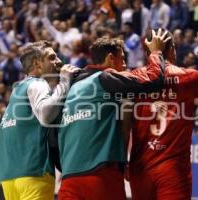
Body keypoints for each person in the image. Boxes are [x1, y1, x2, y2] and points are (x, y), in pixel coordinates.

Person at [57, 30, 170, 200]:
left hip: (68, 178)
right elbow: (154, 80)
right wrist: (155, 52)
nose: (125, 65)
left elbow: (52, 133)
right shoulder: (105, 78)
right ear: (110, 58)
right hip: (101, 175)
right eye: (122, 59)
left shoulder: (71, 87)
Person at [128, 30, 198, 199]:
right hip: (173, 171)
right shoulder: (189, 77)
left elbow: (123, 125)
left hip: (140, 169)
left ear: (147, 51)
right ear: (172, 49)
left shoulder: (133, 78)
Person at [0, 41, 77, 200]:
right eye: (52, 57)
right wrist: (65, 81)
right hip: (34, 173)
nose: (59, 61)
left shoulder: (17, 91)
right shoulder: (37, 83)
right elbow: (46, 115)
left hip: (9, 176)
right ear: (37, 64)